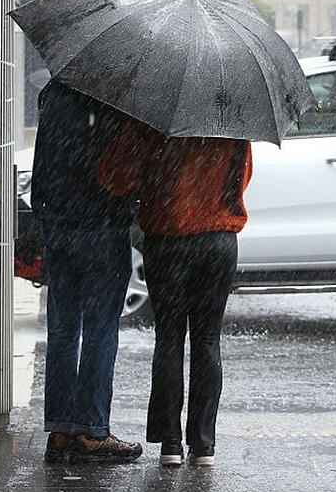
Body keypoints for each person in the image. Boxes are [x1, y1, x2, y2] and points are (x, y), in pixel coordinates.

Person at [98, 118, 253, 467]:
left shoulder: (154, 114)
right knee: (207, 340)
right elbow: (242, 179)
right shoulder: (230, 117)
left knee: (168, 338)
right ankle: (203, 445)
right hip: (218, 237)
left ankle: (170, 443)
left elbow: (116, 177)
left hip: (167, 236)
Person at [32, 80, 144, 464]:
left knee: (62, 329)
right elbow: (121, 170)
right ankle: (92, 432)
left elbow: (45, 164)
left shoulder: (53, 93)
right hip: (101, 225)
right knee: (100, 329)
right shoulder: (117, 98)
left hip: (57, 223)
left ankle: (61, 431)